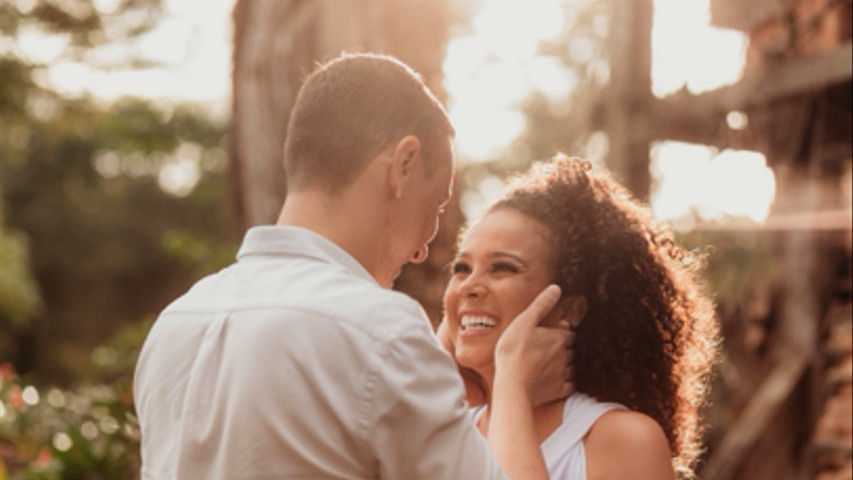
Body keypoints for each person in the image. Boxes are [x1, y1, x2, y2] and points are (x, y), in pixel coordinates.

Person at [133, 53, 573, 480]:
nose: (423, 249)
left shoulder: (175, 324)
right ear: (403, 165)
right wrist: (512, 377)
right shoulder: (382, 331)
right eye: (435, 204)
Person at [439, 155, 720, 480]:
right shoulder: (448, 432)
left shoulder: (622, 441)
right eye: (461, 269)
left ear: (568, 311)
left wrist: (512, 383)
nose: (469, 286)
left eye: (502, 267)